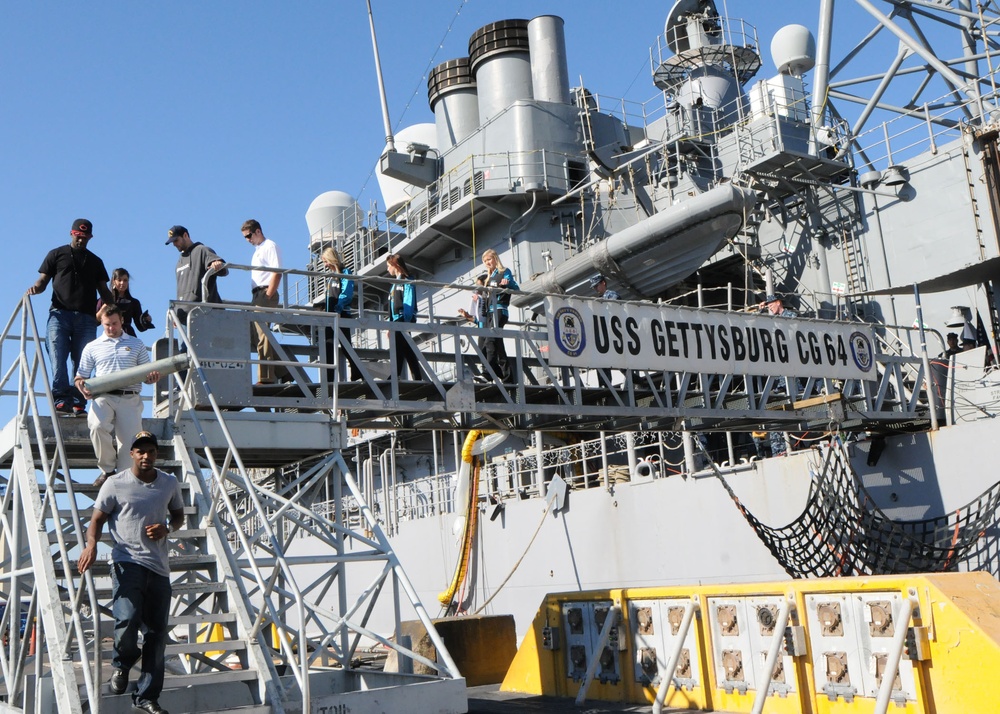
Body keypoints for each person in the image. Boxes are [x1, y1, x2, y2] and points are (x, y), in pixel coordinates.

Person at [77, 431, 184, 714]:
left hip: (159, 568)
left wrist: (168, 529)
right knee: (127, 620)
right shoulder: (115, 484)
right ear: (131, 454)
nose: (146, 456)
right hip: (126, 563)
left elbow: (178, 516)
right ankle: (122, 664)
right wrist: (91, 547)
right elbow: (96, 520)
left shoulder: (169, 483)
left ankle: (146, 697)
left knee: (157, 635)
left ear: (156, 454)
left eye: (151, 451)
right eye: (140, 451)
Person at [27, 218, 113, 416]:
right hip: (59, 314)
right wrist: (35, 290)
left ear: (90, 237)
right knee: (58, 357)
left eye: (84, 237)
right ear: (71, 233)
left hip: (86, 318)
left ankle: (78, 401)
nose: (81, 240)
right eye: (78, 236)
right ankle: (61, 400)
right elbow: (43, 280)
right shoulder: (56, 254)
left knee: (83, 363)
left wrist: (115, 310)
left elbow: (104, 291)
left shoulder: (95, 261)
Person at [75, 305, 161, 486]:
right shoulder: (92, 347)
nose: (111, 328)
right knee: (97, 425)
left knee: (130, 442)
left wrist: (152, 378)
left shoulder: (136, 344)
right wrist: (82, 386)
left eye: (114, 323)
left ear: (121, 321)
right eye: (107, 325)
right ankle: (107, 469)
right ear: (102, 324)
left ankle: (124, 478)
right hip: (103, 396)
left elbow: (147, 373)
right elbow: (80, 376)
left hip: (130, 397)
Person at [242, 219, 290, 384]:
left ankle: (266, 377)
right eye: (245, 237)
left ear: (257, 231)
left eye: (249, 235)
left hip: (265, 292)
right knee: (255, 335)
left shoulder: (270, 246)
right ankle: (284, 370)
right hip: (257, 294)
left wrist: (269, 294)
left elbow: (277, 272)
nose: (248, 240)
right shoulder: (258, 250)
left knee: (263, 335)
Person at [165, 225, 227, 325]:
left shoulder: (202, 250)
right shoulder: (179, 263)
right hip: (184, 318)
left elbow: (223, 269)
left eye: (176, 240)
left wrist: (216, 264)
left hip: (203, 315)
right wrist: (176, 312)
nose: (174, 244)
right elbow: (180, 291)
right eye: (172, 242)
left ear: (185, 235)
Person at [319, 247, 361, 382]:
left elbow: (347, 293)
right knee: (328, 346)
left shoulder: (344, 273)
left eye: (325, 261)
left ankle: (356, 372)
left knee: (346, 345)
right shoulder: (331, 278)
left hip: (341, 315)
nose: (325, 265)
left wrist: (339, 307)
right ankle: (329, 379)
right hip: (330, 317)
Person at [482, 249, 519, 383]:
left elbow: (515, 287)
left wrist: (507, 283)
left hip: (499, 310)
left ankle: (487, 373)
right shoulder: (488, 278)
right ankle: (507, 377)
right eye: (485, 261)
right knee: (497, 345)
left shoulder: (504, 272)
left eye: (489, 259)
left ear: (495, 259)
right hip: (490, 313)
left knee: (490, 341)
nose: (487, 263)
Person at [386, 253, 424, 381]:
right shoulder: (395, 284)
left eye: (388, 266)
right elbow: (392, 306)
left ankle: (395, 374)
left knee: (399, 347)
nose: (387, 269)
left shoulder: (407, 281)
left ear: (394, 265)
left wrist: (406, 320)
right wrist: (390, 325)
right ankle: (416, 376)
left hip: (402, 318)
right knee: (406, 348)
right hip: (396, 319)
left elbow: (408, 300)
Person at [98, 268, 155, 337]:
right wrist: (104, 308)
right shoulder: (104, 300)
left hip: (128, 336)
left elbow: (140, 327)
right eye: (119, 280)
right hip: (110, 334)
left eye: (125, 280)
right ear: (113, 281)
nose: (122, 283)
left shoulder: (134, 302)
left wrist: (146, 320)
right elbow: (95, 321)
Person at [457, 274, 489, 382]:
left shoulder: (487, 299)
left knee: (491, 352)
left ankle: (491, 373)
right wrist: (467, 316)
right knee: (482, 351)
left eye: (479, 286)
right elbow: (478, 319)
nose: (477, 290)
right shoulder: (480, 299)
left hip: (488, 329)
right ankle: (486, 373)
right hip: (481, 329)